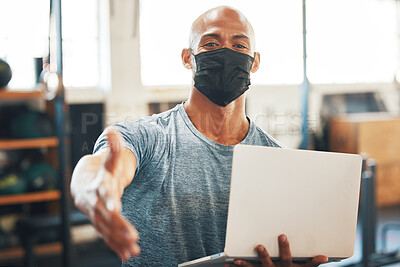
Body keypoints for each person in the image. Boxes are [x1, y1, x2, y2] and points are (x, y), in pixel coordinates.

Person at [71, 6, 328, 267]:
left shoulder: (275, 159)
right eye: (211, 43)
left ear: (256, 61)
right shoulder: (148, 137)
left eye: (239, 46)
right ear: (187, 57)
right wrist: (94, 188)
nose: (225, 53)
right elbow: (96, 167)